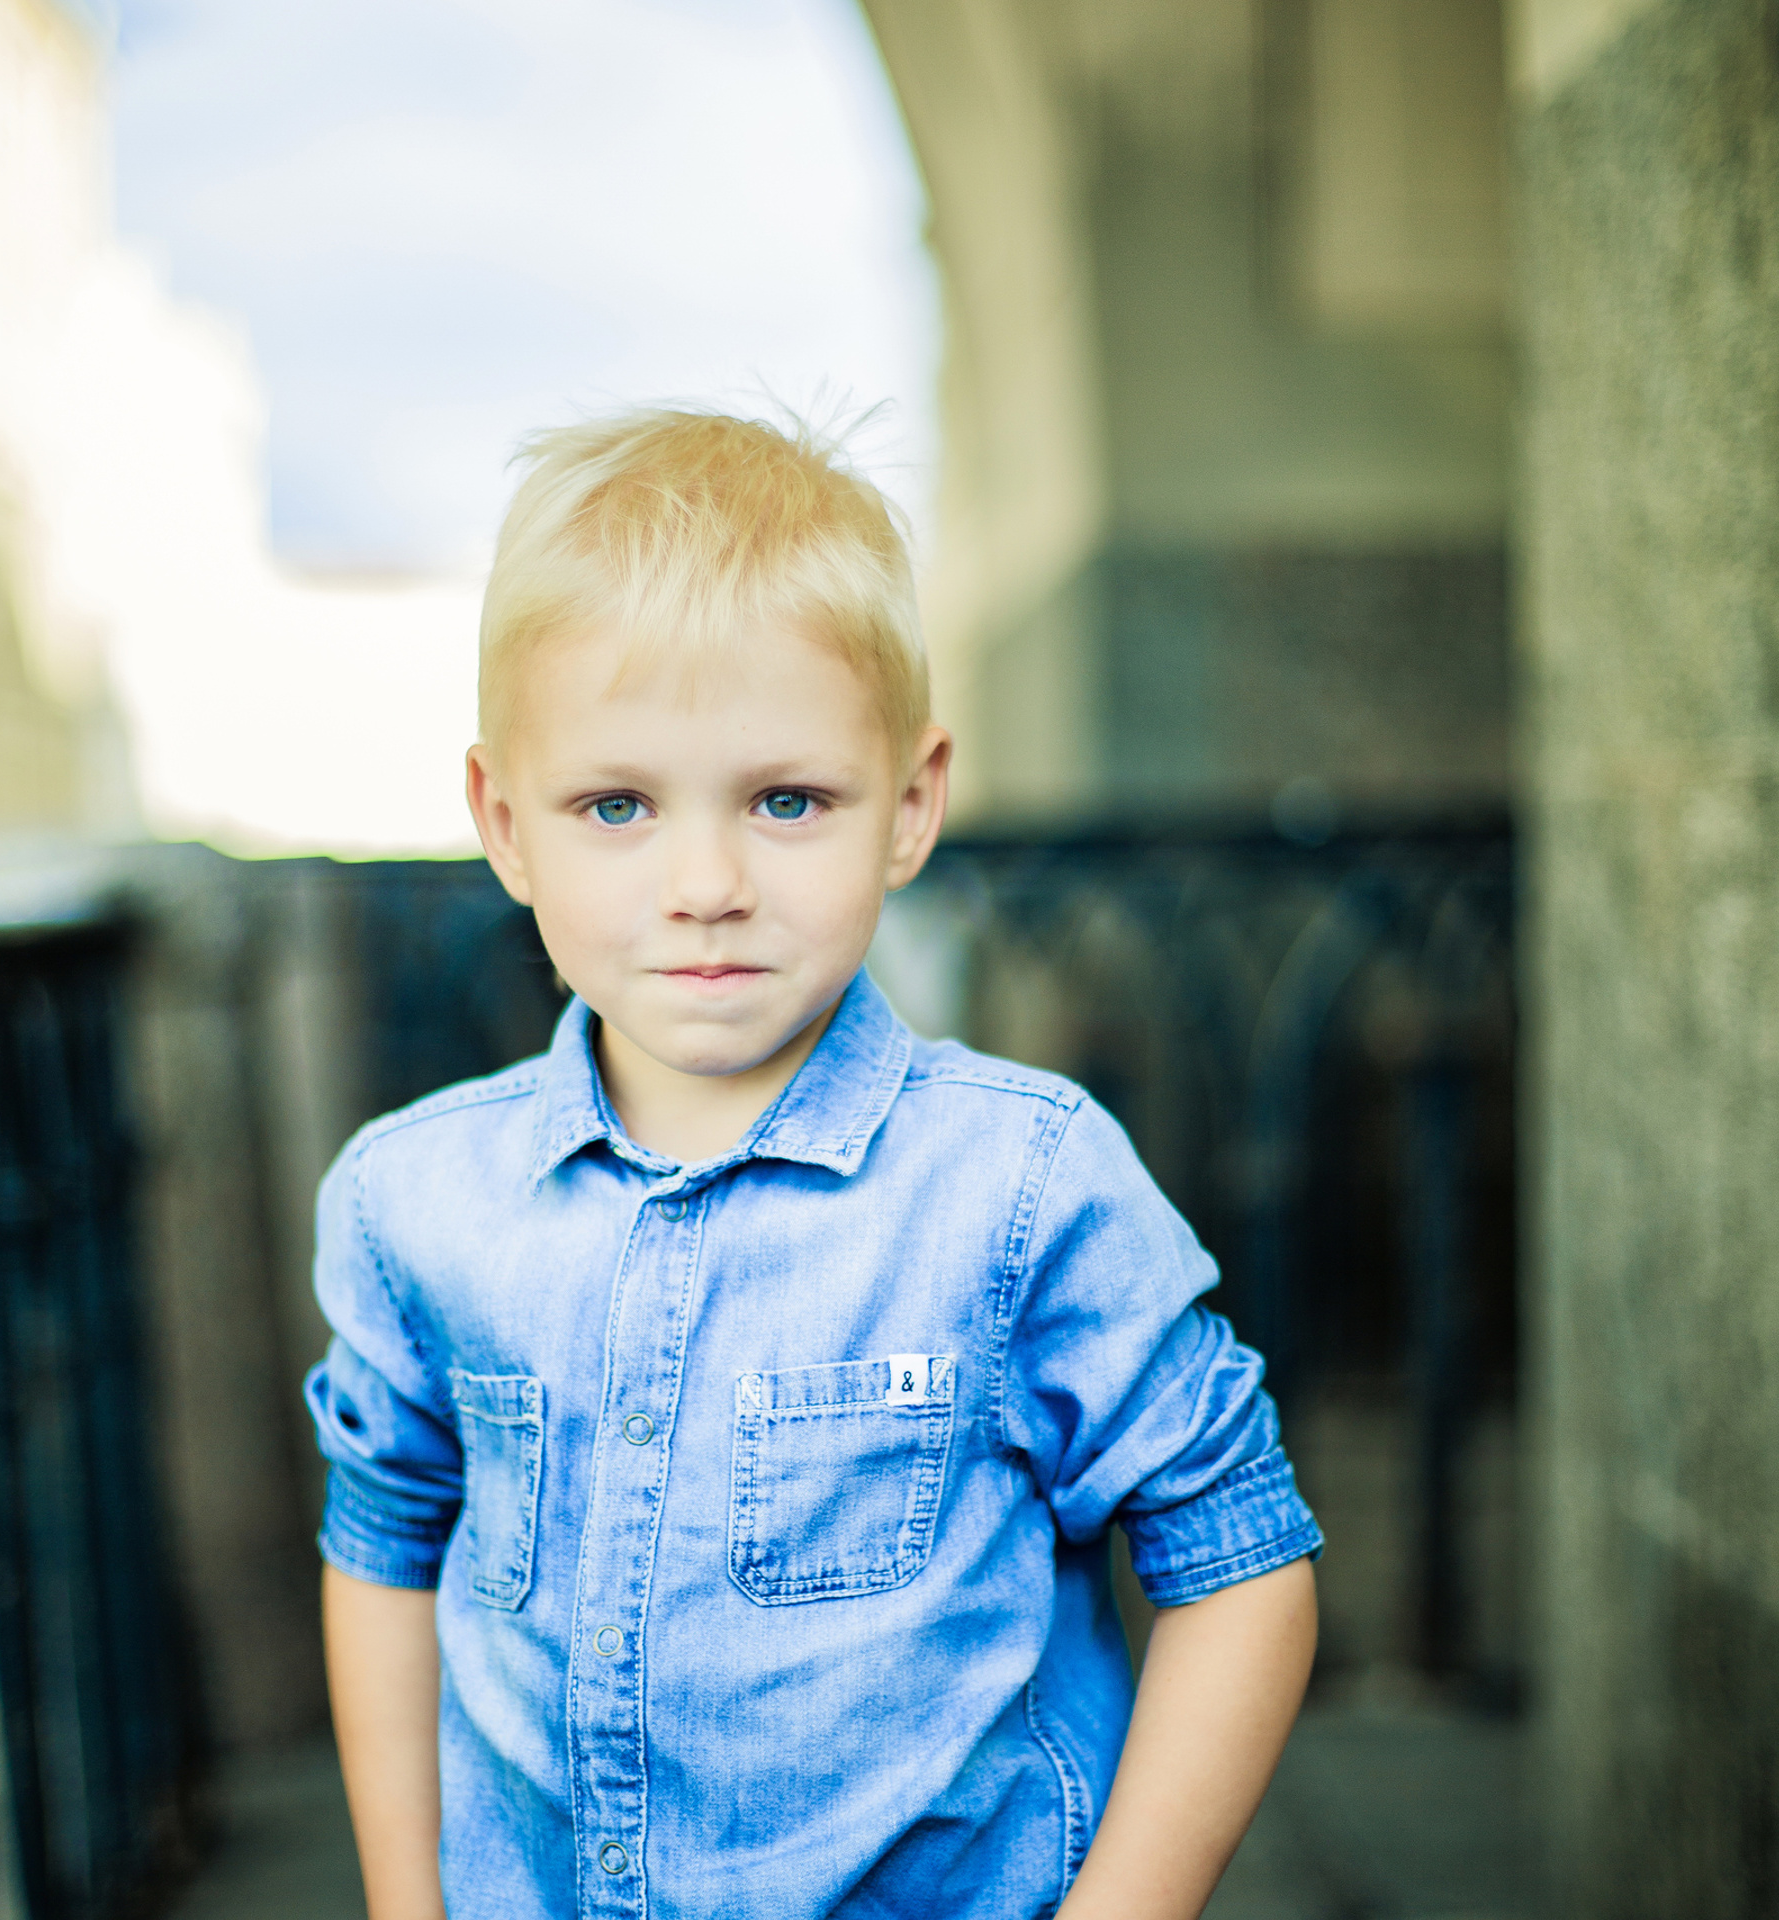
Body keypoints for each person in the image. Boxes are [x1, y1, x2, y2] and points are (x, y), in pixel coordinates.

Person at [305, 407, 1322, 1920]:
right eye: (617, 806)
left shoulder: (1023, 1186)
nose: (706, 886)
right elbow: (385, 1539)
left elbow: (1239, 1559)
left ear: (909, 806)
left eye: (788, 801)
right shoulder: (413, 1203)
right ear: (504, 825)